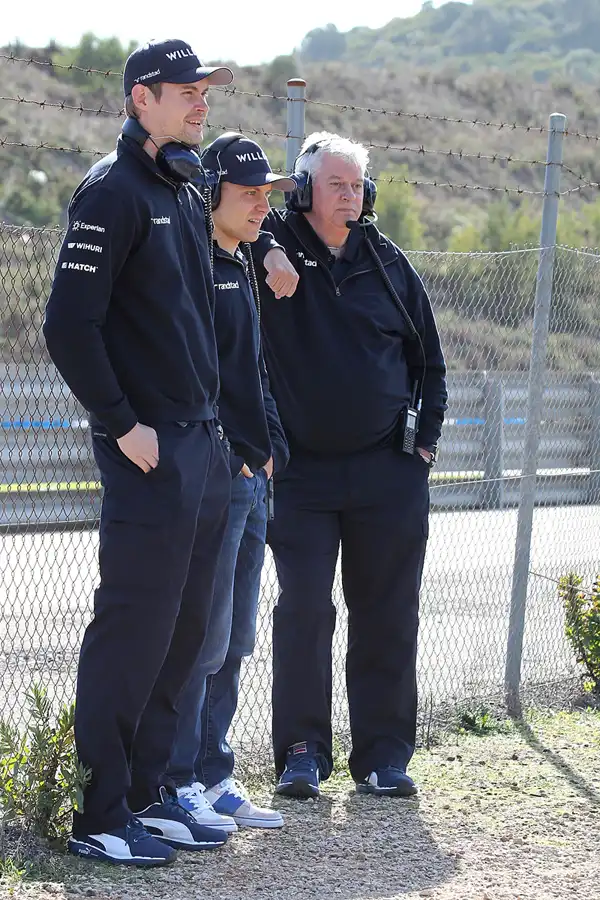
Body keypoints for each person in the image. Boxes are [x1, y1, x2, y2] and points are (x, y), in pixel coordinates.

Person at [43, 39, 298, 868]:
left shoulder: (182, 193)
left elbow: (210, 299)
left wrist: (264, 245)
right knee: (135, 631)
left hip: (203, 448)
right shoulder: (111, 192)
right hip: (148, 451)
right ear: (139, 98)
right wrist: (122, 423)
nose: (201, 104)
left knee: (186, 636)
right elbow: (68, 325)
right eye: (186, 91)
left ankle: (149, 796)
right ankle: (98, 812)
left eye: (205, 92)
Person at [251, 132, 448, 800]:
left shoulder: (389, 266)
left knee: (388, 612)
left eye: (358, 184)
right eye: (336, 184)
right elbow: (215, 223)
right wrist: (269, 246)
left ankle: (384, 756)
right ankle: (303, 753)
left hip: (386, 474)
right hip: (300, 474)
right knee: (304, 610)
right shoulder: (266, 247)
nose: (351, 196)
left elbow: (431, 365)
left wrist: (424, 446)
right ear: (302, 189)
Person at [167, 134, 294, 831]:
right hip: (218, 475)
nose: (261, 206)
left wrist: (268, 447)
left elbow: (252, 369)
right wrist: (230, 455)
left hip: (253, 477)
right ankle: (177, 777)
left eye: (266, 195)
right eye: (248, 194)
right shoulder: (189, 264)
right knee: (203, 638)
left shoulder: (240, 258)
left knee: (237, 637)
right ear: (209, 193)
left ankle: (215, 774)